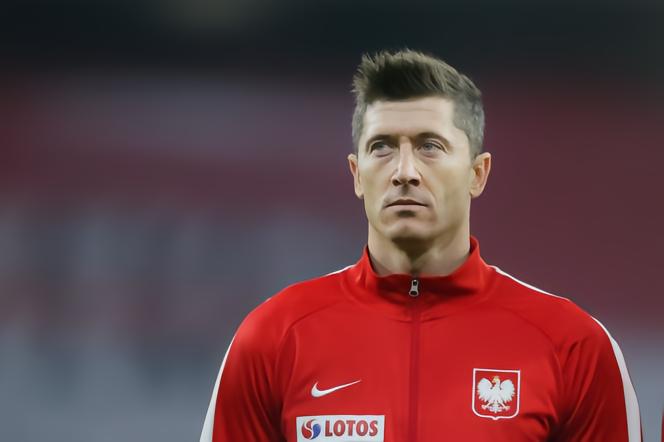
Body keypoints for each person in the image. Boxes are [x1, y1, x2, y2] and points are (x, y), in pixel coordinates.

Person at [200, 49, 641, 441]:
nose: (404, 172)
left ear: (478, 173)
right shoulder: (273, 339)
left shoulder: (573, 347)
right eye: (382, 148)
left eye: (430, 146)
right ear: (356, 174)